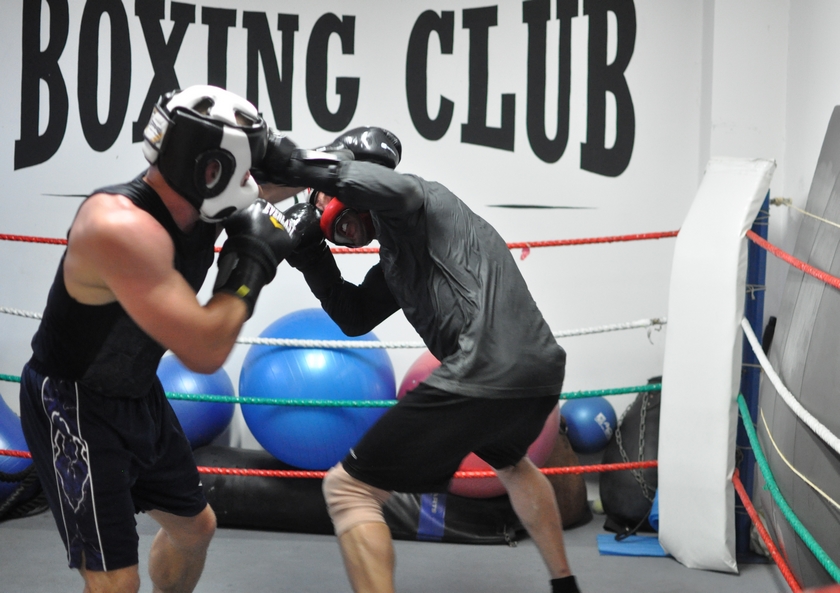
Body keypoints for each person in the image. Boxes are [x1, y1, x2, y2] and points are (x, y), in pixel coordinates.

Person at [263, 127, 581, 593]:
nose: (325, 212)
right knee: (513, 464)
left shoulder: (417, 199)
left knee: (347, 488)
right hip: (537, 374)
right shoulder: (399, 254)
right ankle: (566, 586)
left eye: (325, 196)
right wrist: (312, 255)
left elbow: (393, 189)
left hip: (483, 368)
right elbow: (355, 316)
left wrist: (296, 166)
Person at [19, 84, 305, 593]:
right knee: (115, 582)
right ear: (210, 169)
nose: (249, 181)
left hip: (137, 392)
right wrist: (252, 261)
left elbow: (275, 184)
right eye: (240, 169)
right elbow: (206, 350)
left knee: (195, 529)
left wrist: (338, 165)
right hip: (74, 403)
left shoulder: (196, 200)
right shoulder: (118, 226)